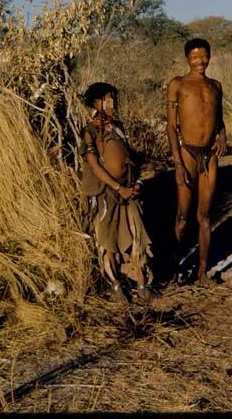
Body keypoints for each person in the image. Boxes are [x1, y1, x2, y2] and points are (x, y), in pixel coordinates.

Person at [80, 82, 153, 302]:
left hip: (128, 191)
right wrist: (117, 187)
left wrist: (135, 183)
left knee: (136, 236)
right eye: (107, 99)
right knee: (107, 239)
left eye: (114, 99)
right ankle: (115, 286)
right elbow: (94, 165)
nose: (113, 103)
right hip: (106, 192)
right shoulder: (90, 131)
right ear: (95, 102)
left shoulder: (118, 127)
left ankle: (142, 284)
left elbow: (131, 158)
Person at [167, 38, 227, 285]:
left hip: (210, 154)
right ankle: (173, 272)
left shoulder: (215, 86)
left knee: (204, 215)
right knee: (182, 215)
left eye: (204, 56)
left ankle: (201, 273)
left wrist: (223, 135)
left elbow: (219, 118)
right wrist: (178, 163)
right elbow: (171, 126)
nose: (200, 61)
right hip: (187, 154)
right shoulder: (178, 85)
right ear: (187, 59)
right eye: (195, 57)